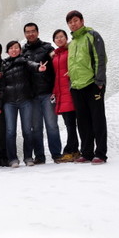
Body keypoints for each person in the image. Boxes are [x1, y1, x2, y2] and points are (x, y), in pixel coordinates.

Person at [0, 41, 47, 167]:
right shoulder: (3, 64)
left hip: (25, 100)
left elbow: (31, 64)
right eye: (11, 48)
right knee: (10, 131)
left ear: (20, 50)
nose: (14, 50)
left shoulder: (24, 60)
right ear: (7, 51)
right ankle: (12, 159)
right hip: (9, 102)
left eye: (16, 48)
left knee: (27, 130)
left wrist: (38, 68)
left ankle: (28, 157)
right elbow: (1, 86)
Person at [66, 10, 108, 165]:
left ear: (82, 21)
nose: (73, 24)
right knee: (83, 121)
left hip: (92, 84)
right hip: (77, 87)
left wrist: (99, 81)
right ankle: (87, 152)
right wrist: (71, 83)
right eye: (70, 22)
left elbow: (100, 58)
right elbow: (74, 64)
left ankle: (101, 154)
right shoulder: (73, 43)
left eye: (75, 20)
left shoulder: (92, 35)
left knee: (97, 119)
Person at [22, 22, 62, 164]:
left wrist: (56, 89)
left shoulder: (47, 48)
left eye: (33, 31)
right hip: (32, 96)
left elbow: (57, 67)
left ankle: (56, 154)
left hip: (47, 93)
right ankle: (39, 156)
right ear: (25, 34)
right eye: (28, 31)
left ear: (38, 32)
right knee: (36, 128)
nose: (31, 34)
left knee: (52, 125)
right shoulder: (22, 52)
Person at [51, 29, 80, 163]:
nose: (59, 39)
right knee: (69, 123)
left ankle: (71, 150)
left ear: (66, 38)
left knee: (71, 124)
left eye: (61, 36)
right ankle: (74, 150)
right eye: (57, 38)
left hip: (70, 91)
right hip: (61, 94)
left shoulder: (70, 51)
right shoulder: (55, 56)